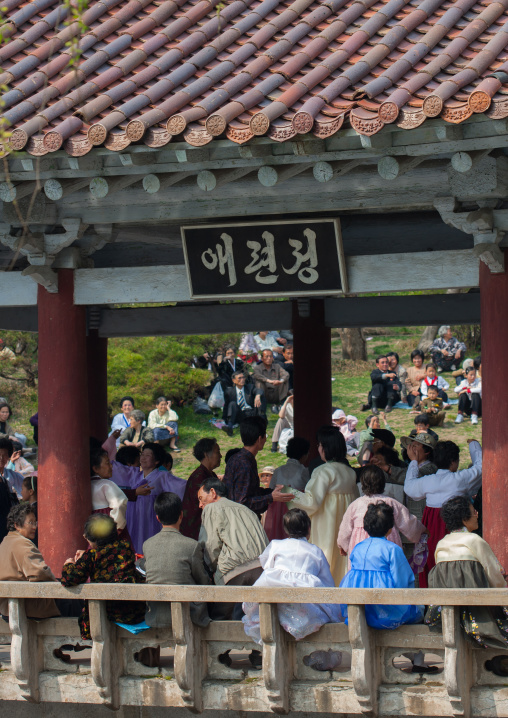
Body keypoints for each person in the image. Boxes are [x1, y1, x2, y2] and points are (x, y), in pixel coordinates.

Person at [242, 508, 342, 643]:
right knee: (327, 610)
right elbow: (326, 580)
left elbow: (266, 564)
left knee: (261, 597)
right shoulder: (315, 551)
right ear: (308, 528)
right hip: (304, 605)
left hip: (275, 595)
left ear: (286, 529)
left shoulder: (276, 544)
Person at [425, 496, 508, 649]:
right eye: (473, 511)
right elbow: (495, 575)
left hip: (449, 617)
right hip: (477, 614)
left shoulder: (441, 544)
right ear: (464, 519)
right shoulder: (474, 540)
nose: (477, 513)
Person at [404, 438, 482, 587]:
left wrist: (413, 461)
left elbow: (409, 488)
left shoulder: (428, 480)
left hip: (431, 523)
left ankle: (432, 603)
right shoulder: (460, 479)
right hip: (455, 524)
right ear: (454, 461)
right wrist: (474, 445)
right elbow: (481, 467)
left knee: (432, 559)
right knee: (457, 559)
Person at [289, 426, 359, 584]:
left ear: (326, 448)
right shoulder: (349, 472)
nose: (318, 448)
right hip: (345, 527)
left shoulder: (323, 471)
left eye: (320, 444)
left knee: (325, 559)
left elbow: (311, 502)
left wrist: (289, 493)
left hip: (325, 525)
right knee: (342, 564)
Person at [339, 502, 424, 629]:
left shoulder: (358, 548)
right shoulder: (392, 549)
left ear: (366, 526)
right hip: (387, 610)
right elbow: (403, 581)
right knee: (420, 610)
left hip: (360, 610)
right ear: (390, 528)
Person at [61, 514, 146, 640]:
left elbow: (70, 579)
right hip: (132, 613)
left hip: (105, 615)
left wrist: (70, 564)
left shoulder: (92, 556)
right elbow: (109, 555)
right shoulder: (125, 547)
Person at [198, 477, 269, 619]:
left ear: (212, 492)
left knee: (221, 621)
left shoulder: (212, 508)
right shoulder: (246, 509)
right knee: (255, 621)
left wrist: (210, 571)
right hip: (261, 572)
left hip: (234, 573)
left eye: (201, 499)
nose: (200, 505)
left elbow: (210, 547)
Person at [144, 492, 211, 628]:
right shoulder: (192, 546)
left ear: (158, 518)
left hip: (156, 615)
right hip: (187, 615)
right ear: (181, 515)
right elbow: (202, 581)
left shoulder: (147, 544)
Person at [337, 466, 425, 569]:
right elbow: (408, 522)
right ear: (383, 483)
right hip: (387, 542)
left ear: (362, 483)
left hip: (360, 546)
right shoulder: (391, 503)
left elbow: (345, 528)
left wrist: (342, 545)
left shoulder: (355, 505)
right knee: (388, 572)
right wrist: (422, 531)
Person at [222, 416, 294, 519]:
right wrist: (270, 497)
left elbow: (251, 492)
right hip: (240, 522)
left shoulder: (238, 458)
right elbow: (241, 503)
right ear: (260, 439)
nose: (265, 440)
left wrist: (272, 491)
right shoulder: (244, 463)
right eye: (265, 436)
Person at [122, 443, 186, 554]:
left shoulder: (162, 476)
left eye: (148, 455)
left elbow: (181, 486)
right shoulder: (134, 475)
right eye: (142, 454)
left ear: (156, 461)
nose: (143, 457)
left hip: (150, 517)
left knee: (149, 543)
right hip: (133, 516)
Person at [0, 503, 60, 620]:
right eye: (31, 523)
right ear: (17, 525)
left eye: (35, 523)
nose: (34, 527)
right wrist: (55, 580)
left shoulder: (5, 541)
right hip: (27, 608)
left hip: (7, 608)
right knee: (71, 599)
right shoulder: (22, 543)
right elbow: (39, 573)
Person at [180, 438, 221, 540]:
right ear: (206, 455)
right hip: (197, 533)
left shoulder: (209, 475)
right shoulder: (199, 478)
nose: (220, 455)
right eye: (217, 452)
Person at [90, 449, 129, 537]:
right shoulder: (106, 484)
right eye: (107, 463)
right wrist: (116, 528)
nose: (111, 466)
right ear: (96, 468)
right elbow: (119, 504)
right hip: (108, 525)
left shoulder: (87, 485)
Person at [221, 370, 266, 437]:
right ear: (233, 380)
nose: (242, 380)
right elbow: (227, 406)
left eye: (243, 377)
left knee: (261, 397)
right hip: (240, 414)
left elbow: (259, 390)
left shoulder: (250, 387)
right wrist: (224, 418)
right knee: (232, 403)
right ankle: (230, 427)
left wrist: (258, 395)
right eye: (239, 378)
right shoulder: (229, 391)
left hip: (251, 412)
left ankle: (262, 420)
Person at [0, 437, 21, 542]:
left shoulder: (5, 480)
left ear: (8, 457)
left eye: (4, 455)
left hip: (6, 527)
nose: (1, 458)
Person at [21, 474, 37, 544]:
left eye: (22, 489)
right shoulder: (38, 507)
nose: (21, 492)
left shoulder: (32, 510)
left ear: (30, 491)